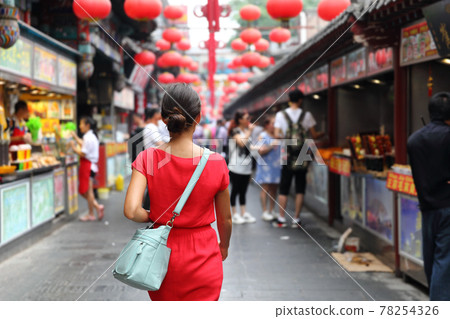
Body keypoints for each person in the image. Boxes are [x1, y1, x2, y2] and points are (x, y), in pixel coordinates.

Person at [124, 83, 232, 301]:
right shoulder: (216, 162)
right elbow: (226, 219)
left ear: (164, 119)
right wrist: (224, 246)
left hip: (161, 257)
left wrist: (156, 216)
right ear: (199, 118)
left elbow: (131, 210)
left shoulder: (148, 158)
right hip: (205, 255)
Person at [407, 92, 450, 301]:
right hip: (448, 207)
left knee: (431, 258)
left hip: (426, 207)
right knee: (444, 260)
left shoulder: (414, 140)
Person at [273, 90, 324, 228]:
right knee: (300, 187)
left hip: (286, 152)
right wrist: (322, 133)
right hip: (302, 152)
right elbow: (314, 134)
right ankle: (296, 218)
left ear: (289, 99)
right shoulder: (306, 115)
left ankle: (281, 218)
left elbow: (277, 134)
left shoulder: (280, 115)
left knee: (284, 186)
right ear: (301, 100)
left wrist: (286, 137)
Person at [70, 116, 104, 222]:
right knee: (87, 191)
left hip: (88, 165)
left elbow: (83, 152)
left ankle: (92, 213)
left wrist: (74, 148)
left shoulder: (87, 137)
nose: (79, 126)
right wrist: (75, 137)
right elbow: (84, 145)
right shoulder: (91, 136)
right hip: (91, 166)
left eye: (81, 124)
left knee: (87, 191)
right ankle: (96, 208)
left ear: (87, 125)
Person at [228, 111, 256, 224]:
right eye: (246, 118)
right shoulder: (235, 131)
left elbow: (248, 146)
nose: (248, 120)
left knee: (244, 191)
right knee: (235, 190)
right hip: (236, 167)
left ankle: (243, 213)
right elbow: (241, 143)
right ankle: (234, 214)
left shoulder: (245, 131)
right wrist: (250, 131)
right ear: (240, 120)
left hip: (246, 166)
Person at [253, 116, 281, 221]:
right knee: (265, 188)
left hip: (276, 165)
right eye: (272, 123)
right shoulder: (262, 136)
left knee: (274, 188)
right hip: (265, 166)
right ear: (267, 125)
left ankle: (272, 210)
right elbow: (260, 151)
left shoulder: (277, 136)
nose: (275, 126)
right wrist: (270, 146)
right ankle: (264, 211)